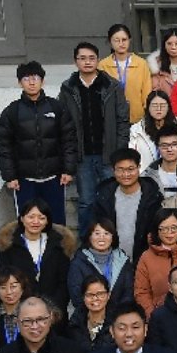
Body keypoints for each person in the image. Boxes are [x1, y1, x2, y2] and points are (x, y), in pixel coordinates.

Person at [59, 41, 131, 235]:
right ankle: (86, 242)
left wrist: (119, 151)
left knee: (112, 200)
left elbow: (122, 120)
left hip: (109, 155)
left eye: (91, 58)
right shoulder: (68, 88)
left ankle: (114, 239)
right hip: (83, 157)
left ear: (98, 60)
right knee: (86, 202)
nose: (87, 62)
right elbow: (63, 124)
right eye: (82, 58)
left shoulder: (112, 86)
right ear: (75, 61)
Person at [0, 61, 77, 224]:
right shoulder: (12, 111)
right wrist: (10, 176)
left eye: (35, 78)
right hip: (25, 181)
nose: (31, 83)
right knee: (28, 223)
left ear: (42, 81)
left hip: (54, 178)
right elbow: (4, 146)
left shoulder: (57, 107)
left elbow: (69, 140)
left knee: (56, 223)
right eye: (26, 79)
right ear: (20, 83)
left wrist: (68, 170)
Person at [0, 199, 73, 311]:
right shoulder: (9, 245)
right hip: (20, 312)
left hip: (53, 312)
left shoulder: (59, 244)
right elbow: (2, 279)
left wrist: (53, 309)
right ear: (22, 218)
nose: (36, 221)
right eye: (31, 217)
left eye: (41, 218)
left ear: (47, 221)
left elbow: (64, 283)